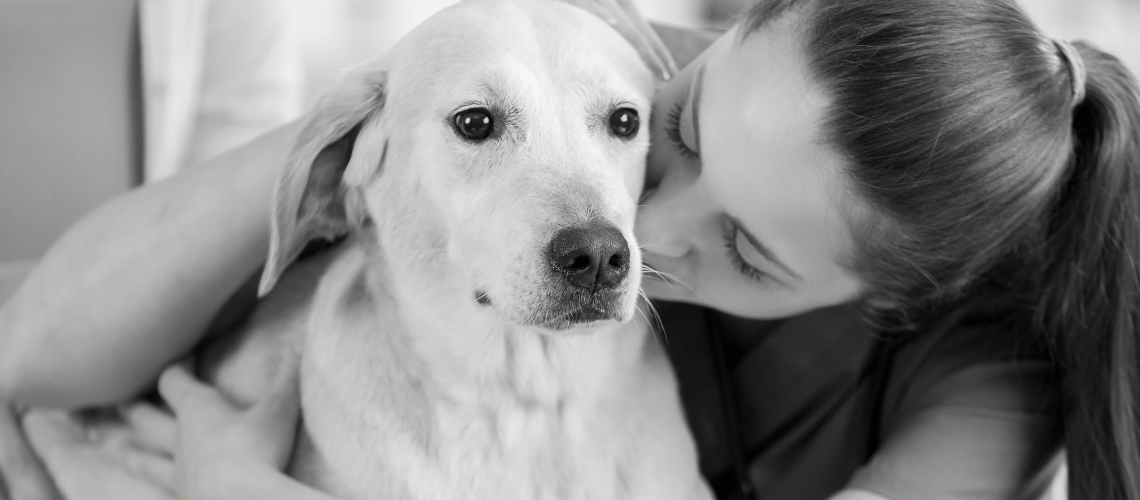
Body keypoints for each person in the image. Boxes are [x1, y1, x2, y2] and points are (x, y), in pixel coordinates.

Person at [3, 0, 1139, 499]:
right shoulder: (621, 66)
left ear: (901, 292)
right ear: (713, 46)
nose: (629, 228)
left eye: (746, 246)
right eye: (674, 133)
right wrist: (376, 122)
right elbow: (35, 354)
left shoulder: (994, 368)